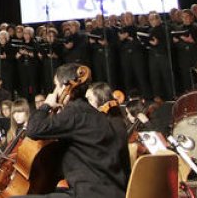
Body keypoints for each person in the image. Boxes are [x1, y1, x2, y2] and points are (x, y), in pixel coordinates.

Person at [23, 64, 128, 198]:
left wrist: (46, 105)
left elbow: (33, 129)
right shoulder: (94, 114)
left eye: (56, 86)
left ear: (64, 86)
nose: (54, 91)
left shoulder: (74, 113)